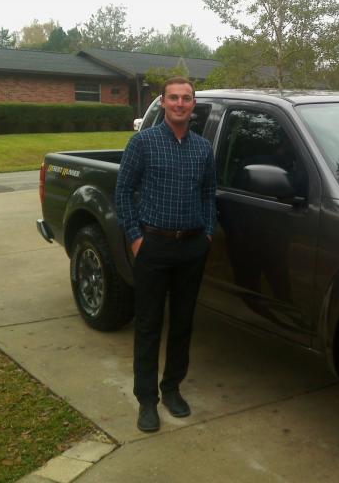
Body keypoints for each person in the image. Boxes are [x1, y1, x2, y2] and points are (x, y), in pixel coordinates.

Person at [115, 76, 216, 433]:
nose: (179, 104)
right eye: (173, 98)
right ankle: (146, 400)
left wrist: (206, 233)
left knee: (183, 324)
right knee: (148, 325)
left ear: (193, 105)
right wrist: (135, 238)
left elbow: (209, 195)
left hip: (191, 247)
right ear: (163, 102)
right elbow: (123, 191)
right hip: (152, 246)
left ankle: (172, 388)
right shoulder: (142, 142)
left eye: (185, 98)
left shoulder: (203, 148)